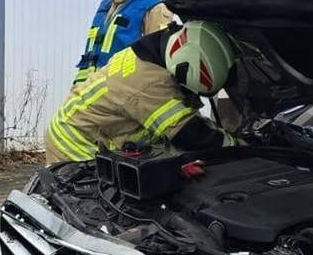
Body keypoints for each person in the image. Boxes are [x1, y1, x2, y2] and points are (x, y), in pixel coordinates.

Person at [46, 20, 237, 163]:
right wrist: (235, 147)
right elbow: (187, 134)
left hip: (80, 129)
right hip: (75, 145)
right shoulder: (149, 84)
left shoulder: (155, 51)